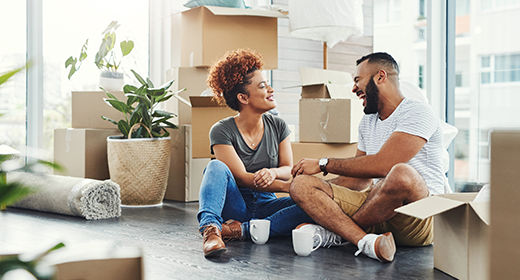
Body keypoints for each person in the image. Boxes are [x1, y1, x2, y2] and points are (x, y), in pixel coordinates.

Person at [289, 52, 446, 263]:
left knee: (401, 173)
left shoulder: (418, 112)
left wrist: (323, 164)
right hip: (377, 208)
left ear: (380, 77)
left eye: (357, 80)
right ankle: (366, 241)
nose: (354, 89)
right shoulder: (367, 122)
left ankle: (340, 235)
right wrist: (312, 187)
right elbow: (357, 181)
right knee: (301, 185)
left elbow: (384, 166)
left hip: (419, 214)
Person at [197, 49, 318, 258]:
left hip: (267, 204)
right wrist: (288, 187)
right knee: (215, 166)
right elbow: (242, 179)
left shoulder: (278, 125)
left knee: (317, 203)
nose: (271, 89)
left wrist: (273, 172)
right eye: (263, 86)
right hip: (235, 204)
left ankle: (239, 230)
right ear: (243, 97)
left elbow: (288, 169)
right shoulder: (221, 130)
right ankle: (210, 230)